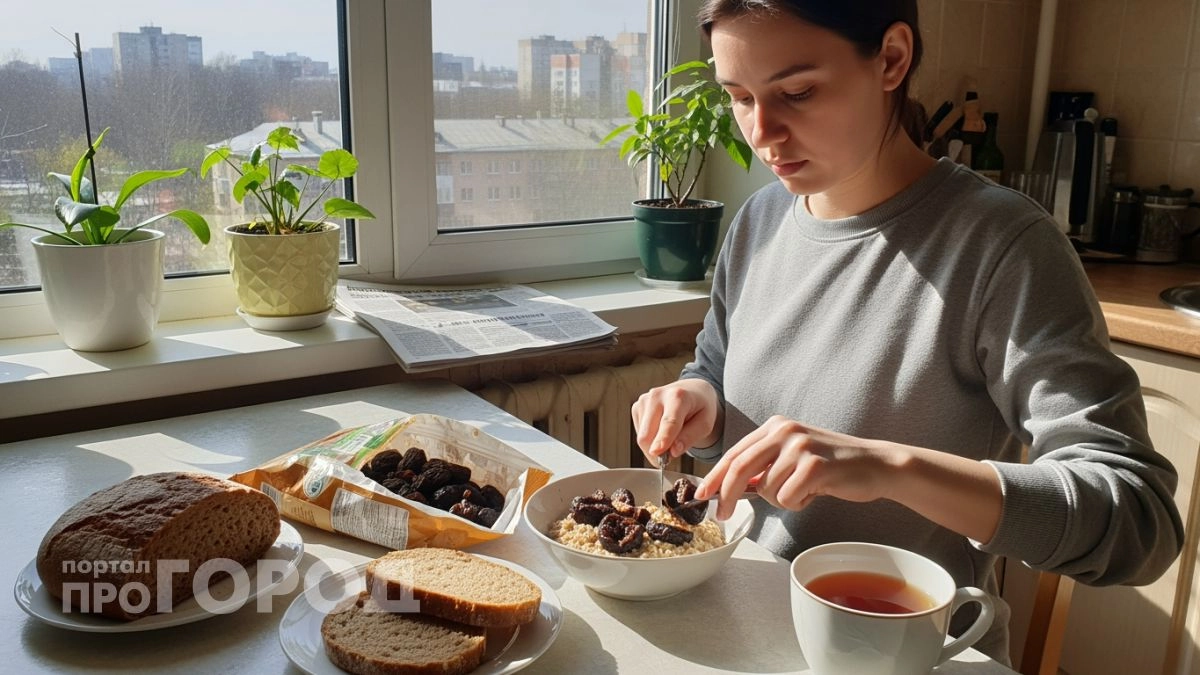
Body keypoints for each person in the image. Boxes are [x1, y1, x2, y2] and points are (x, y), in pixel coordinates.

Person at [631, 0, 1183, 664]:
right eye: (739, 97)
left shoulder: (1003, 246)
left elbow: (1138, 521)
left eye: (797, 92)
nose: (763, 132)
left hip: (903, 650)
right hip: (750, 623)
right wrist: (702, 402)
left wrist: (889, 465)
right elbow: (715, 369)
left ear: (892, 57)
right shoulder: (758, 222)